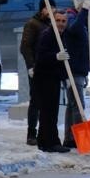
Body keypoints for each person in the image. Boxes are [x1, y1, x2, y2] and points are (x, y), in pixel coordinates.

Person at [33, 9, 71, 153]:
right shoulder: (47, 35)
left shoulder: (61, 36)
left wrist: (64, 77)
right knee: (48, 111)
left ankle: (45, 141)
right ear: (52, 21)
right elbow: (41, 57)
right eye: (58, 20)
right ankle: (50, 142)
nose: (61, 24)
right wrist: (55, 56)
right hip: (44, 79)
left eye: (63, 21)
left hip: (54, 78)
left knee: (51, 111)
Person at [60, 0, 90, 149]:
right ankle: (78, 139)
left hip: (78, 69)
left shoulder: (78, 20)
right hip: (74, 70)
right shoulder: (72, 18)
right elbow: (75, 28)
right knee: (79, 106)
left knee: (73, 105)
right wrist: (84, 11)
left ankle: (69, 138)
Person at [20, 0, 54, 146]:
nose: (51, 11)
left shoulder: (51, 24)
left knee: (48, 102)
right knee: (36, 102)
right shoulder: (32, 24)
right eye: (48, 8)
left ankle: (44, 132)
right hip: (37, 69)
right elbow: (25, 47)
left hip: (49, 69)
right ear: (42, 10)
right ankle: (31, 134)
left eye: (53, 8)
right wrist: (31, 66)